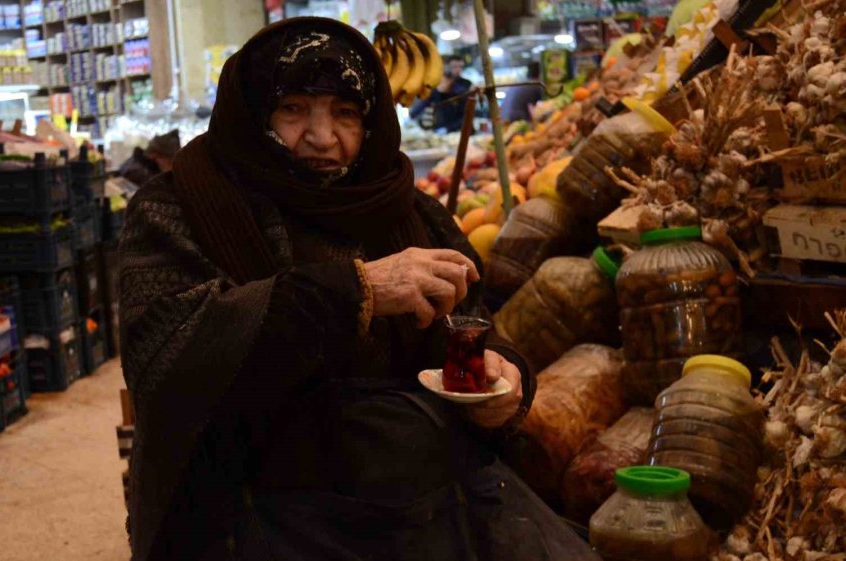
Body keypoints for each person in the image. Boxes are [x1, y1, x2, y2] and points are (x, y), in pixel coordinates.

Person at [120, 17, 600, 561]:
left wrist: (500, 383)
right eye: (293, 108)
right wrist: (356, 289)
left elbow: (470, 330)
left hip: (419, 511)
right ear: (251, 113)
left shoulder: (409, 214)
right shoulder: (176, 210)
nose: (323, 138)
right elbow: (167, 357)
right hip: (251, 513)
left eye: (346, 114)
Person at [409, 54, 473, 132]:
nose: (458, 70)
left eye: (460, 67)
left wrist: (447, 129)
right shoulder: (435, 90)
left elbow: (465, 116)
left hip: (458, 130)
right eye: (455, 67)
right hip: (440, 126)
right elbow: (423, 104)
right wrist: (411, 117)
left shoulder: (463, 88)